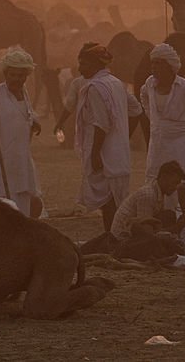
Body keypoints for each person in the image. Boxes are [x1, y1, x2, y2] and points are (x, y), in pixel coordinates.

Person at [75, 42, 134, 232]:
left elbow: (101, 124)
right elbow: (136, 109)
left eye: (84, 64)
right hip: (119, 155)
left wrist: (94, 155)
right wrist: (123, 135)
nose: (80, 68)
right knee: (115, 202)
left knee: (108, 203)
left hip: (104, 155)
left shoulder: (95, 88)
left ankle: (112, 239)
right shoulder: (117, 83)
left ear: (96, 65)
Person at [0, 47, 42, 217]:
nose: (16, 79)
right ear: (6, 74)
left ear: (26, 76)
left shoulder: (25, 93)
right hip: (2, 156)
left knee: (23, 192)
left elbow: (27, 113)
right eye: (13, 75)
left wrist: (35, 122)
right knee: (3, 196)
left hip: (21, 156)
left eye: (21, 75)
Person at [139, 43, 185, 182]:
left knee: (180, 182)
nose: (154, 67)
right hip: (156, 144)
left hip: (179, 143)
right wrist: (152, 117)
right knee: (154, 182)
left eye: (158, 63)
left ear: (169, 65)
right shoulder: (149, 84)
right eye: (152, 63)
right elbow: (143, 97)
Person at [110, 161, 185, 242]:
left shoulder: (158, 190)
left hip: (135, 231)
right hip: (121, 240)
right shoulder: (148, 195)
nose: (176, 187)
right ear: (164, 177)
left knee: (169, 216)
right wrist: (176, 228)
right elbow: (146, 234)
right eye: (174, 183)